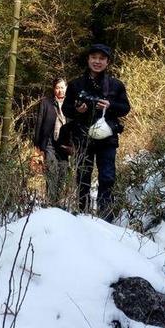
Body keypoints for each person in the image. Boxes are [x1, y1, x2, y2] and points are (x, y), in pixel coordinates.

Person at [63, 44, 130, 221]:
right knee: (83, 176)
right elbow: (66, 109)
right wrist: (79, 110)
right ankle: (82, 215)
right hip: (82, 137)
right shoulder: (76, 85)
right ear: (88, 59)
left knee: (107, 176)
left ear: (107, 62)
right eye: (94, 57)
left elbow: (125, 108)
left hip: (107, 138)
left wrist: (110, 105)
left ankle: (105, 217)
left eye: (101, 58)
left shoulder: (115, 85)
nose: (97, 61)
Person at [33, 77, 70, 206]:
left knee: (63, 170)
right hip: (49, 142)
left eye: (62, 87)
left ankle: (58, 201)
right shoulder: (46, 102)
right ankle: (51, 202)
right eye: (57, 87)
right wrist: (37, 145)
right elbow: (39, 123)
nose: (60, 90)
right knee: (52, 170)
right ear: (54, 89)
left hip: (64, 144)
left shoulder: (71, 103)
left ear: (66, 88)